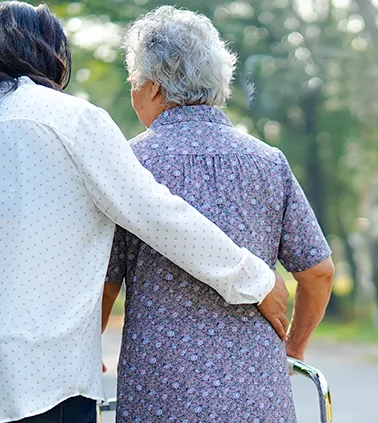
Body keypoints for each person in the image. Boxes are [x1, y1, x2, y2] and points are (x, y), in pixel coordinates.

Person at [0, 2, 290, 422]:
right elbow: (156, 214)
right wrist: (254, 278)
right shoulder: (69, 119)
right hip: (39, 376)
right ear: (46, 53)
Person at [99, 6, 336, 423]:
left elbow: (104, 284)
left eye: (134, 81)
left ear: (154, 87)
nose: (133, 90)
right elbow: (318, 273)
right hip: (259, 398)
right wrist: (293, 349)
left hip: (159, 398)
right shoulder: (268, 163)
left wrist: (85, 351)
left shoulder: (127, 166)